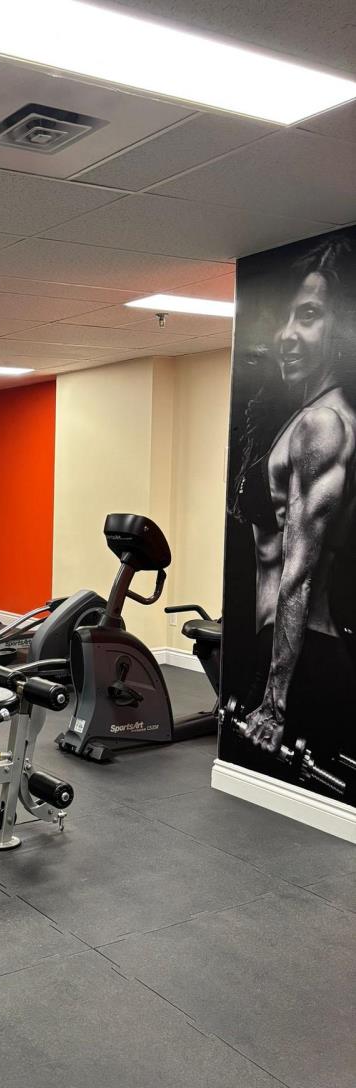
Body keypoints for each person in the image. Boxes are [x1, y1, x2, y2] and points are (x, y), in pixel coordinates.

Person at [231, 236, 356, 765]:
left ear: (339, 327)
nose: (286, 335)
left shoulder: (320, 425)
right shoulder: (312, 417)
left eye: (308, 316)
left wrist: (275, 701)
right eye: (285, 318)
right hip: (290, 655)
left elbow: (298, 574)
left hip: (300, 663)